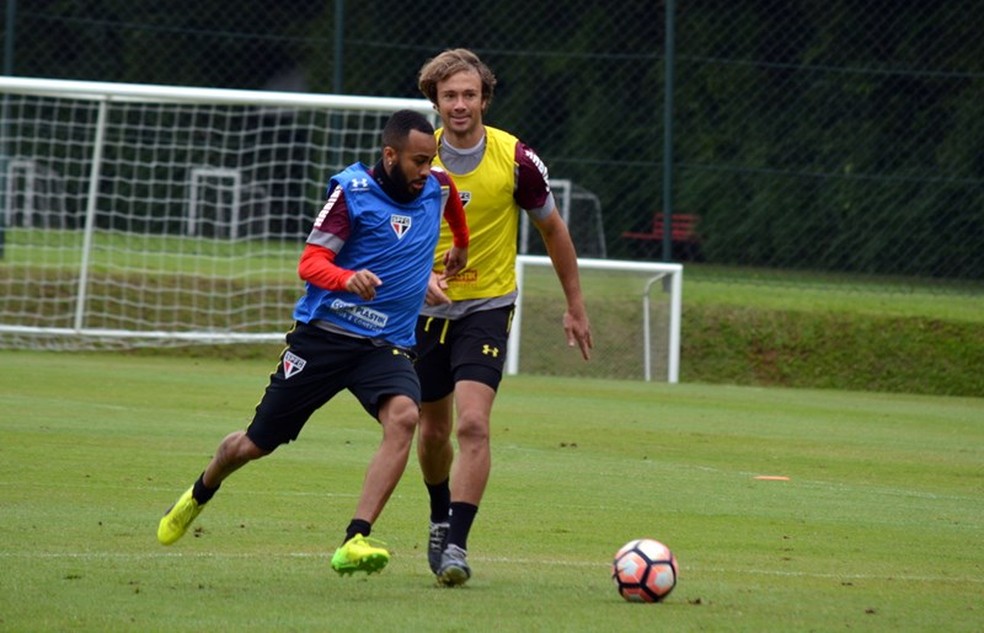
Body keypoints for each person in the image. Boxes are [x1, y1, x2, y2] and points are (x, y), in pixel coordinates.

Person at [156, 109, 469, 577]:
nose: (427, 171)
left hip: (384, 344)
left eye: (431, 160)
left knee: (405, 417)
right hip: (323, 339)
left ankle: (354, 538)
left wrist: (459, 245)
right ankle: (201, 490)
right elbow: (311, 262)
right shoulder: (351, 193)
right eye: (417, 161)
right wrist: (346, 279)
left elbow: (453, 208)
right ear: (389, 155)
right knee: (252, 446)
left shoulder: (437, 186)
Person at [414, 48, 593, 586]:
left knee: (473, 423)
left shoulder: (515, 158)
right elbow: (381, 230)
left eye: (470, 94)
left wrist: (575, 306)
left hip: (488, 307)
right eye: (450, 96)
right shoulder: (416, 158)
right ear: (435, 101)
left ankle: (457, 547)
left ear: (485, 99)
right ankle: (439, 514)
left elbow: (553, 229)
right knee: (432, 433)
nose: (460, 104)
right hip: (422, 311)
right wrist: (418, 276)